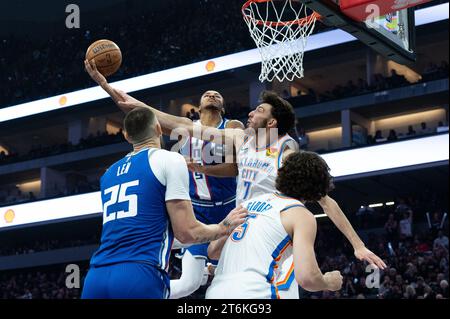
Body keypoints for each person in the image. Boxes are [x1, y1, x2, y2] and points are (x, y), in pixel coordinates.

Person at [84, 60, 387, 299]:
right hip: (239, 224)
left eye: (259, 109)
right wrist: (112, 90)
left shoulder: (287, 149)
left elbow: (325, 198)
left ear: (271, 122)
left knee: (272, 282)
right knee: (203, 278)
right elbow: (174, 123)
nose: (251, 111)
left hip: (272, 226)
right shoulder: (240, 139)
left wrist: (357, 245)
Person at [81, 107, 247, 299]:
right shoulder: (170, 159)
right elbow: (187, 234)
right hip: (139, 274)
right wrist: (223, 227)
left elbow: (138, 226)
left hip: (95, 276)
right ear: (159, 128)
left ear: (126, 136)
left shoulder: (107, 173)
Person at [205, 151, 343, 298]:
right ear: (319, 188)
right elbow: (307, 278)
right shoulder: (300, 214)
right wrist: (328, 282)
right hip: (254, 292)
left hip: (216, 291)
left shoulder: (247, 204)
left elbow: (213, 251)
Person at [170, 90, 245, 299]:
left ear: (223, 107)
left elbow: (236, 167)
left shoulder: (232, 126)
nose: (212, 95)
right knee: (188, 285)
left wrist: (200, 168)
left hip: (229, 210)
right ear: (199, 107)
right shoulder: (186, 128)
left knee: (237, 275)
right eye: (207, 94)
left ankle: (212, 270)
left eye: (218, 95)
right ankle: (143, 291)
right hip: (197, 214)